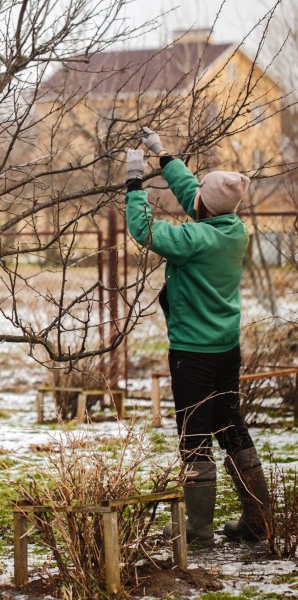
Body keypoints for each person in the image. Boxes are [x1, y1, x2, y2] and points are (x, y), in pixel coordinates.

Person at [124, 128, 272, 548]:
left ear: (205, 206)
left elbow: (144, 229)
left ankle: (198, 530)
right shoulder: (233, 229)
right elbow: (197, 194)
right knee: (230, 425)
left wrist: (135, 182)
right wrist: (163, 156)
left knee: (193, 435)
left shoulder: (194, 240)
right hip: (226, 348)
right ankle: (257, 519)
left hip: (193, 352)